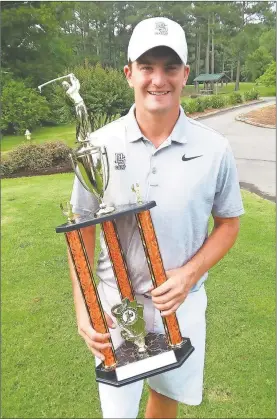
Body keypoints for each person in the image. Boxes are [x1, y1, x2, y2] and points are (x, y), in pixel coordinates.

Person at [69, 17, 244, 419]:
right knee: (118, 412)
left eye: (169, 67)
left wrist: (188, 274)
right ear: (129, 73)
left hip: (180, 305)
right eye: (147, 67)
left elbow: (229, 224)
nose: (158, 79)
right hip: (116, 307)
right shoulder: (97, 146)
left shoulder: (214, 148)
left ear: (185, 74)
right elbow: (81, 232)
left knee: (165, 399)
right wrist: (85, 306)